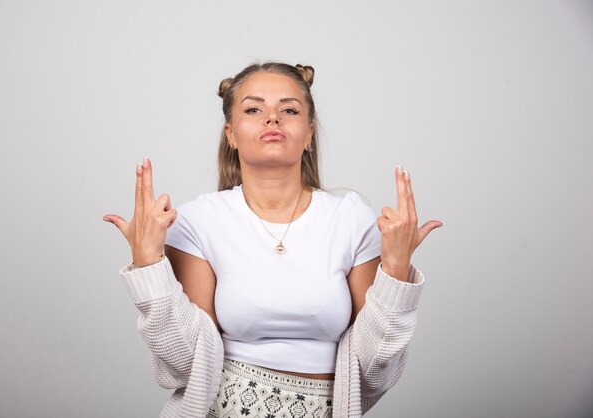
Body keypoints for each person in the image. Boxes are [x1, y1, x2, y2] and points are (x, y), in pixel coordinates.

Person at [103, 62, 442, 418]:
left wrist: (396, 272)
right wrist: (149, 267)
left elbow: (374, 372)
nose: (272, 119)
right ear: (231, 133)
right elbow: (184, 366)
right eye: (253, 109)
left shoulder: (350, 218)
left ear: (309, 133)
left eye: (289, 110)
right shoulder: (199, 221)